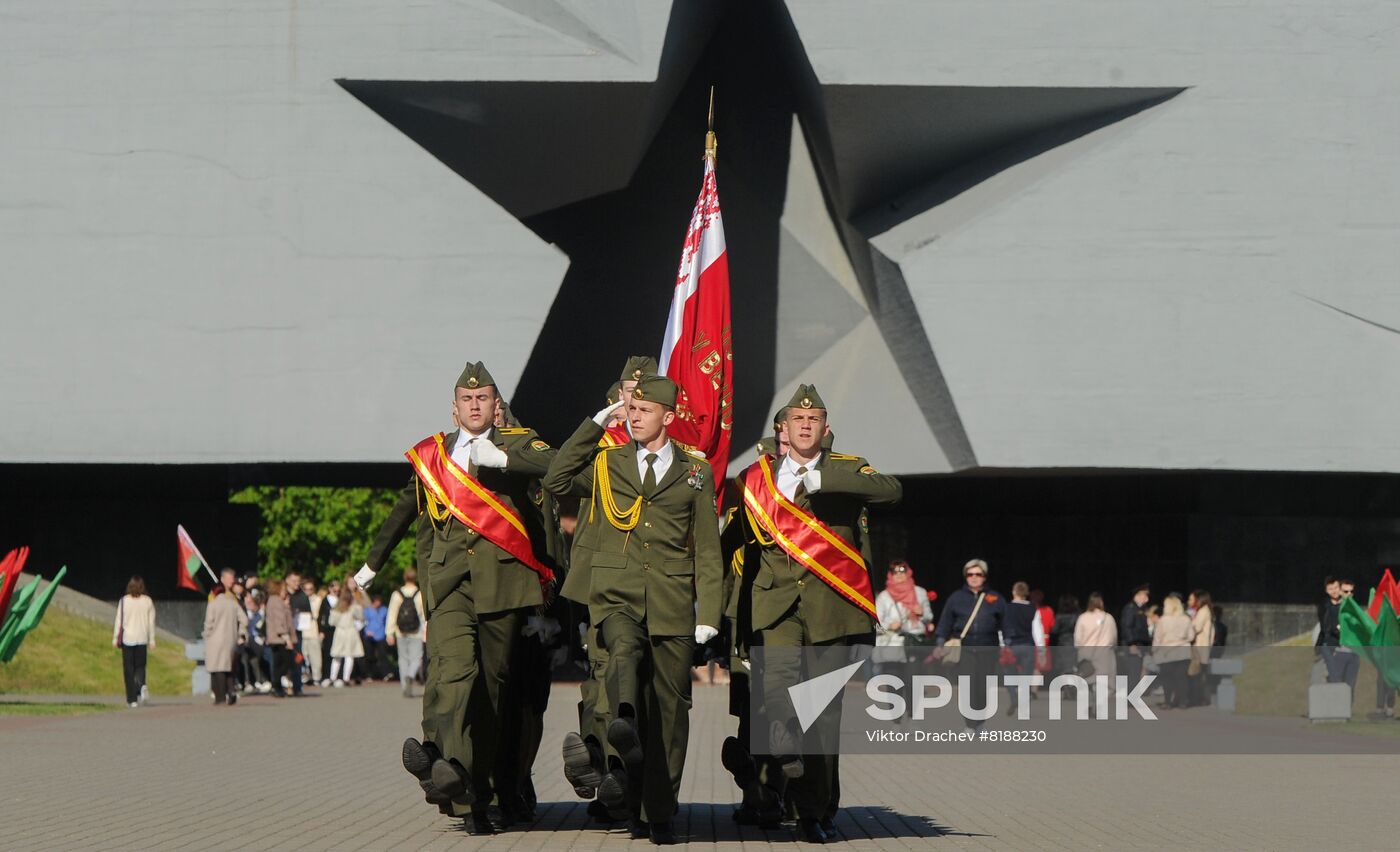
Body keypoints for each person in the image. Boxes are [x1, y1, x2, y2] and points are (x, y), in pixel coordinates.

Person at [357, 361, 558, 835]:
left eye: (483, 398)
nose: (474, 405)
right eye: (466, 400)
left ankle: (477, 790)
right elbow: (405, 510)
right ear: (454, 408)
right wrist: (372, 563)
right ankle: (452, 770)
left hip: (504, 585)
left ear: (495, 405)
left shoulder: (516, 443)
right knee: (453, 675)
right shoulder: (434, 455)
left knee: (492, 688)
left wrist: (504, 461)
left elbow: (557, 464)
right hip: (449, 585)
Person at [543, 373, 725, 845]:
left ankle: (657, 811)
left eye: (645, 410)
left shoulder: (694, 472)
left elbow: (707, 548)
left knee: (671, 710)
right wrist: (594, 423)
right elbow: (556, 477)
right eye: (631, 409)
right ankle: (623, 719)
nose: (635, 415)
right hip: (616, 595)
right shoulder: (607, 463)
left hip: (671, 603)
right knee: (622, 651)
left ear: (668, 416)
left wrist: (709, 615)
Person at [723, 384, 901, 844]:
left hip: (830, 610)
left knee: (821, 718)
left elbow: (890, 490)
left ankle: (813, 812)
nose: (805, 426)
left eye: (814, 420)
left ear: (825, 430)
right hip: (775, 608)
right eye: (796, 421)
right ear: (781, 429)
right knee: (774, 690)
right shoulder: (756, 479)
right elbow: (729, 542)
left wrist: (825, 482)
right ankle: (784, 750)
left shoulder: (846, 469)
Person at [558, 358, 654, 817]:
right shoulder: (600, 449)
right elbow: (557, 475)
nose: (633, 399)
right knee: (600, 681)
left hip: (655, 584)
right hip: (601, 584)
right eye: (626, 391)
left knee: (639, 686)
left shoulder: (673, 451)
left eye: (642, 391)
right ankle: (603, 770)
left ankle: (625, 779)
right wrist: (597, 426)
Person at [935, 559, 1007, 731]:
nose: (974, 578)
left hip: (988, 648)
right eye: (970, 574)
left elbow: (1006, 623)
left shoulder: (996, 598)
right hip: (965, 649)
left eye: (978, 574)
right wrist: (939, 642)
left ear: (984, 577)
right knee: (967, 687)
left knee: (983, 688)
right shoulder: (956, 598)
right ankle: (969, 724)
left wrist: (1009, 643)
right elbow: (945, 622)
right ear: (965, 576)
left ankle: (980, 721)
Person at [112, 576, 156, 708]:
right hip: (142, 638)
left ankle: (132, 699)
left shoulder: (124, 601)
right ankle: (141, 685)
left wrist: (115, 638)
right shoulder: (148, 601)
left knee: (128, 669)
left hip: (128, 639)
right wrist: (152, 640)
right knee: (140, 667)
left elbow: (118, 621)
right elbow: (151, 623)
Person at [203, 585, 248, 706]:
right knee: (229, 668)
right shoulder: (233, 604)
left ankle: (220, 697)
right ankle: (231, 691)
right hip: (230, 639)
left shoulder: (213, 604)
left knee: (217, 669)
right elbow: (244, 619)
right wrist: (241, 633)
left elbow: (208, 623)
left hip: (214, 640)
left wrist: (206, 635)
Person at [1002, 581, 1043, 714]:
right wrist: (1041, 649)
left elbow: (1002, 628)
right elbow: (1037, 630)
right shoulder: (1032, 609)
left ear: (1014, 592)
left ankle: (1014, 698)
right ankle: (1024, 704)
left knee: (1009, 676)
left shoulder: (1006, 608)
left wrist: (1002, 644)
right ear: (1026, 593)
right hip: (1028, 646)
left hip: (1011, 646)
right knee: (1026, 677)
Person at [1315, 577, 1360, 696]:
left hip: (1341, 646)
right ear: (1326, 590)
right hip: (1328, 644)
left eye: (1336, 588)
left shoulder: (1346, 605)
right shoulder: (1325, 606)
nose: (1334, 591)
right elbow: (1326, 627)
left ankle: (1341, 707)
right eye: (1330, 589)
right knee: (1333, 676)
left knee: (1342, 679)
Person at [387, 569, 428, 698]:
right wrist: (426, 630)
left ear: (404, 578)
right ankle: (411, 675)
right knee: (417, 657)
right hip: (416, 631)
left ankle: (405, 685)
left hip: (400, 631)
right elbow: (423, 615)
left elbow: (392, 614)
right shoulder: (419, 594)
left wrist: (389, 632)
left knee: (403, 658)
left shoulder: (397, 594)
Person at [1074, 592, 1117, 712]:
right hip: (1104, 653)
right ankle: (1099, 706)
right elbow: (1113, 638)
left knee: (1087, 680)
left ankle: (1088, 704)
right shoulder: (1108, 618)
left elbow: (1078, 639)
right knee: (1103, 682)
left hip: (1086, 653)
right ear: (1101, 603)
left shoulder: (1083, 617)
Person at [1152, 594, 1194, 709]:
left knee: (1167, 678)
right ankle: (1183, 702)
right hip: (1183, 652)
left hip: (1167, 653)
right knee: (1182, 678)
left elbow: (1157, 638)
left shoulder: (1163, 620)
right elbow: (1191, 636)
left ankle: (1167, 702)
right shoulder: (1186, 619)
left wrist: (1154, 650)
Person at [263, 579, 301, 697]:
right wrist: (287, 638)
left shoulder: (276, 601)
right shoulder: (276, 601)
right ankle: (276, 686)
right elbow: (280, 622)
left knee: (279, 664)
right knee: (284, 664)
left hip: (278, 638)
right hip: (280, 639)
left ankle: (277, 687)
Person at [328, 584, 365, 685]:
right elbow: (361, 617)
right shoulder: (353, 607)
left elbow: (331, 622)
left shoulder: (336, 609)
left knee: (336, 656)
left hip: (340, 632)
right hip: (350, 632)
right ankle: (346, 678)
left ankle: (333, 677)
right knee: (349, 655)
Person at [1119, 585, 1151, 691]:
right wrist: (1131, 643)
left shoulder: (1140, 609)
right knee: (1133, 673)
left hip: (1140, 645)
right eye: (1145, 595)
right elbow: (1127, 627)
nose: (1147, 598)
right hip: (1134, 645)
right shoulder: (1131, 609)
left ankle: (1133, 698)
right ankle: (1131, 699)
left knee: (1136, 673)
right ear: (1138, 595)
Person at [1187, 590, 1215, 706]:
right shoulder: (1203, 611)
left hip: (1200, 646)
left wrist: (1189, 620)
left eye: (1193, 599)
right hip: (1201, 646)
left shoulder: (1203, 611)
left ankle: (1200, 698)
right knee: (1199, 674)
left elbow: (1197, 627)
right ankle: (1201, 698)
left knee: (1197, 674)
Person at [241, 592, 270, 693]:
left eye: (251, 603)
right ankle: (255, 680)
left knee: (254, 656)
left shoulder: (261, 615)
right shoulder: (251, 616)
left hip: (262, 643)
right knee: (249, 657)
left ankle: (260, 680)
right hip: (253, 644)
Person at [1050, 594, 1080, 676]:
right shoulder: (1077, 616)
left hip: (1062, 643)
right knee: (1072, 665)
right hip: (1073, 642)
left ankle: (1065, 685)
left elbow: (1054, 631)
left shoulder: (1059, 616)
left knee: (1063, 666)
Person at [302, 579, 324, 685]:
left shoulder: (318, 599)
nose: (308, 591)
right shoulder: (301, 599)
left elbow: (320, 616)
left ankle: (316, 677)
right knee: (303, 656)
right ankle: (305, 675)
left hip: (314, 629)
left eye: (310, 589)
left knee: (315, 656)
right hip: (302, 630)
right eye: (306, 589)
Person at [318, 579, 340, 686]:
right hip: (327, 630)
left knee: (338, 653)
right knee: (327, 652)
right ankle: (326, 676)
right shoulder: (325, 600)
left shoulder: (340, 601)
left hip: (338, 629)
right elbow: (321, 617)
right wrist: (321, 631)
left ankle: (336, 676)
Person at [362, 593, 389, 680]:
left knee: (382, 655)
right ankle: (369, 674)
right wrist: (367, 631)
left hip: (380, 635)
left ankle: (385, 674)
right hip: (369, 636)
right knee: (369, 655)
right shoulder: (367, 610)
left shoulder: (384, 610)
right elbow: (363, 622)